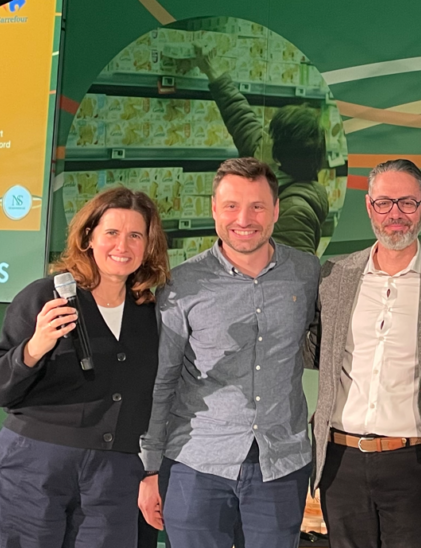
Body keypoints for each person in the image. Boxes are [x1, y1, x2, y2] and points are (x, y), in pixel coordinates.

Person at [137, 157, 319, 548]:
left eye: (257, 206)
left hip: (280, 465)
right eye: (232, 206)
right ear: (215, 210)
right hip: (195, 464)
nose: (244, 219)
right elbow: (162, 381)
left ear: (276, 211)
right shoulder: (182, 284)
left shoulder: (307, 273)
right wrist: (149, 469)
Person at [0, 187, 169, 548]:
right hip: (34, 467)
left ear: (149, 245)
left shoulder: (152, 313)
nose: (122, 245)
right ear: (88, 237)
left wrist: (151, 468)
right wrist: (35, 347)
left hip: (113, 476)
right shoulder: (44, 297)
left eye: (135, 235)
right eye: (111, 232)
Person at [307, 158, 421, 548]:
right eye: (384, 203)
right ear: (369, 207)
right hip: (340, 461)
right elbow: (314, 348)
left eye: (407, 202)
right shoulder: (334, 275)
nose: (395, 214)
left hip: (414, 462)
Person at [196, 47, 329, 254]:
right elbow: (240, 117)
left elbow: (295, 271)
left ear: (278, 156)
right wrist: (214, 73)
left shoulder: (293, 212)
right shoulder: (267, 161)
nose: (262, 131)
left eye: (269, 132)